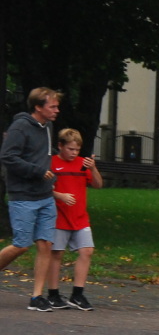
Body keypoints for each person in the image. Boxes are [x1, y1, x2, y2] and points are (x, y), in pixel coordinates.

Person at [0, 87, 61, 311]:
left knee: (45, 243)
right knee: (21, 245)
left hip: (45, 195)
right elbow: (7, 156)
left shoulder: (48, 127)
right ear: (38, 107)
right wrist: (35, 170)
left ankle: (37, 297)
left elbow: (43, 152)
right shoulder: (20, 127)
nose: (57, 110)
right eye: (52, 106)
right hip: (23, 195)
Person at [45, 128, 103, 311]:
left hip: (80, 217)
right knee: (57, 254)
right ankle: (53, 294)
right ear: (60, 146)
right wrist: (59, 195)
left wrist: (93, 168)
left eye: (77, 150)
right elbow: (41, 188)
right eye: (70, 149)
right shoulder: (52, 163)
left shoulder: (82, 164)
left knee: (87, 251)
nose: (74, 153)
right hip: (59, 217)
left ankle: (77, 294)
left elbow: (98, 184)